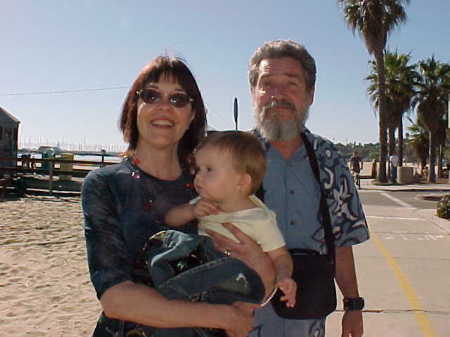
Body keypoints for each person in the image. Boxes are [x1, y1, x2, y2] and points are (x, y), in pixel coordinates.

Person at [81, 56, 274, 337]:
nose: (164, 107)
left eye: (178, 99)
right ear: (135, 106)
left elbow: (262, 284)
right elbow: (115, 298)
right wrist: (222, 316)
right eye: (151, 95)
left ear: (193, 114)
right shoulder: (105, 184)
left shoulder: (220, 184)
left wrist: (257, 263)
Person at [218, 40, 369, 337]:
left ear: (309, 94)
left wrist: (353, 305)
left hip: (308, 319)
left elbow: (341, 242)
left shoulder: (330, 161)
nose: (278, 95)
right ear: (253, 93)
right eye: (267, 84)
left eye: (291, 84)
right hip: (239, 320)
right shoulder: (227, 159)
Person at [165, 131, 296, 307]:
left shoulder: (258, 220)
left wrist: (284, 277)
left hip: (235, 288)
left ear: (241, 181)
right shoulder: (204, 202)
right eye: (198, 169)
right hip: (201, 278)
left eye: (209, 170)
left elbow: (280, 256)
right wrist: (190, 211)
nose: (198, 177)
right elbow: (170, 219)